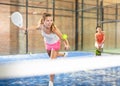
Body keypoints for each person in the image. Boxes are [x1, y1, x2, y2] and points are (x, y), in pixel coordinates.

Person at [29, 13, 70, 86]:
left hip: (55, 44)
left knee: (52, 62)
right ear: (43, 21)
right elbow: (34, 27)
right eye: (47, 20)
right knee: (50, 55)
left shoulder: (54, 28)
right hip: (47, 44)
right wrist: (25, 29)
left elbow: (63, 36)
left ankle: (51, 82)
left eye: (51, 20)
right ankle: (63, 54)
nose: (50, 22)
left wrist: (67, 44)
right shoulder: (41, 26)